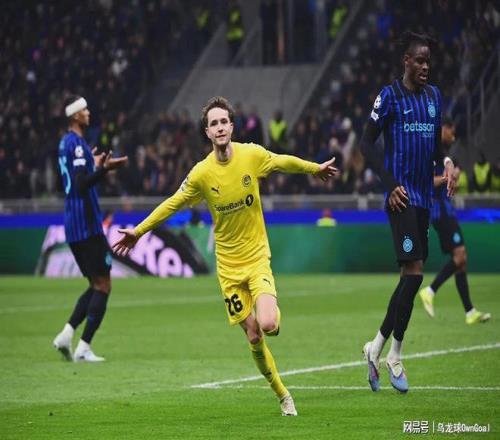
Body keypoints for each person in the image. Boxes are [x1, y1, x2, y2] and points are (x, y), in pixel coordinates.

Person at [112, 96, 337, 415]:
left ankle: (271, 314)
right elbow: (172, 203)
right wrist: (138, 230)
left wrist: (314, 169)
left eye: (223, 122)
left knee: (268, 324)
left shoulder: (251, 155)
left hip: (256, 258)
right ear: (207, 132)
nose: (219, 128)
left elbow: (281, 161)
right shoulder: (201, 174)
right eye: (213, 124)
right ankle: (283, 395)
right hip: (229, 269)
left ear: (232, 126)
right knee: (253, 335)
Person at [359, 32, 456, 393]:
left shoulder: (434, 98)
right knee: (414, 274)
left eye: (428, 60)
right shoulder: (389, 97)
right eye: (419, 60)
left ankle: (375, 347)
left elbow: (435, 149)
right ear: (406, 61)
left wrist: (447, 162)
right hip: (400, 198)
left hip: (424, 198)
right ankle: (395, 355)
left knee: (410, 277)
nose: (425, 66)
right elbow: (365, 143)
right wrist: (389, 185)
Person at [52, 95, 128, 362]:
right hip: (86, 224)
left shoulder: (68, 143)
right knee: (104, 285)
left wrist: (93, 163)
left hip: (75, 224)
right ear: (75, 115)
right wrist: (104, 169)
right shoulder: (76, 145)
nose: (88, 113)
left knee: (96, 284)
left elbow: (77, 176)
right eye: (84, 110)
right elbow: (82, 184)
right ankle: (83, 348)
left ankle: (66, 335)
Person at [418, 120, 491, 324]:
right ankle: (430, 291)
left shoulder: (443, 154)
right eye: (451, 131)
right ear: (443, 128)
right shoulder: (432, 151)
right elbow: (426, 182)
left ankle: (469, 312)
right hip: (440, 212)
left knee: (461, 262)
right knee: (460, 256)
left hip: (445, 210)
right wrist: (447, 177)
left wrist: (451, 180)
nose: (454, 135)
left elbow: (444, 184)